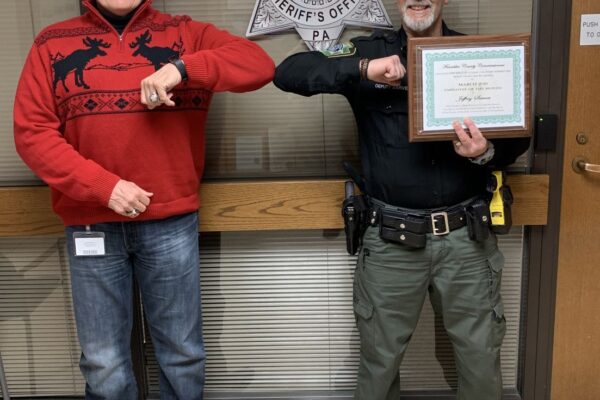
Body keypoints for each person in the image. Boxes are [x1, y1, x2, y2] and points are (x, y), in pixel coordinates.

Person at [13, 0, 274, 398]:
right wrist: (103, 186)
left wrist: (182, 68)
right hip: (91, 225)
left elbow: (259, 65)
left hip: (171, 224)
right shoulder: (51, 43)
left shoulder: (187, 34)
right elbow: (33, 133)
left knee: (182, 354)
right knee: (103, 361)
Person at [273, 0, 530, 399]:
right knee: (379, 364)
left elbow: (518, 136)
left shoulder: (477, 56)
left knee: (481, 361)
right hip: (391, 241)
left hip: (467, 242)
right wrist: (362, 70)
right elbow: (289, 72)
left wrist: (485, 151)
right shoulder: (369, 51)